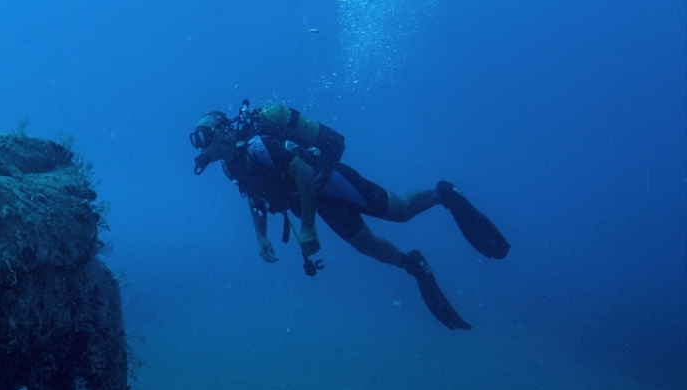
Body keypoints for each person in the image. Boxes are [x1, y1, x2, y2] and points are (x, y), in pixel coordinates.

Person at [190, 102, 509, 330]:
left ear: (225, 132)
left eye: (205, 136)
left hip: (328, 182)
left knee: (400, 211)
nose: (201, 146)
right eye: (198, 139)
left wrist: (309, 228)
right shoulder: (230, 164)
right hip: (317, 201)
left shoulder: (258, 146)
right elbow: (254, 197)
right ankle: (411, 263)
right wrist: (261, 236)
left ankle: (445, 194)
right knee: (365, 244)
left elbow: (302, 174)